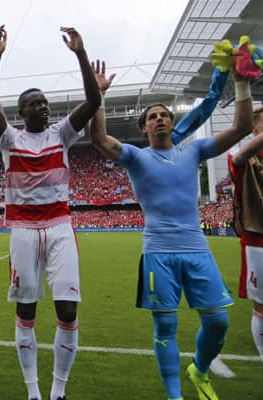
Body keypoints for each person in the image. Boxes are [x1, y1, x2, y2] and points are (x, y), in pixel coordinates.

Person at [89, 60, 253, 400]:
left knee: (218, 323)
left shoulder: (194, 150)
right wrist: (98, 96)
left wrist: (241, 84)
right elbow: (99, 139)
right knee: (165, 327)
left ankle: (200, 369)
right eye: (152, 116)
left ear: (173, 122)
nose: (159, 118)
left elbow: (241, 128)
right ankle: (174, 396)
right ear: (144, 128)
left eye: (164, 114)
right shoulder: (135, 156)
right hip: (159, 252)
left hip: (196, 249)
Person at [0, 26, 100, 400]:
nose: (44, 106)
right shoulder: (11, 139)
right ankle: (33, 391)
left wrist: (81, 55)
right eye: (35, 103)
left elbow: (93, 102)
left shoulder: (61, 134)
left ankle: (58, 390)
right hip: (23, 231)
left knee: (67, 310)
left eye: (46, 101)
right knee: (27, 309)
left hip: (60, 227)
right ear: (21, 112)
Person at [228, 105, 263, 363]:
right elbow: (238, 159)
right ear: (254, 128)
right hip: (257, 238)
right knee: (261, 306)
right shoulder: (243, 156)